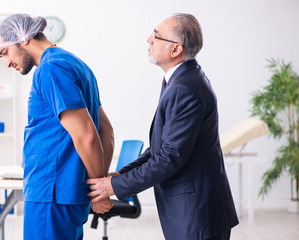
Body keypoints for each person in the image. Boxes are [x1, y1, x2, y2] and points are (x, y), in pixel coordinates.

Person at [87, 13, 239, 240]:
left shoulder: (184, 88)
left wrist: (114, 186)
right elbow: (160, 149)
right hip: (192, 209)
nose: (149, 39)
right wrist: (120, 174)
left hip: (196, 213)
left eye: (156, 36)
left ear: (175, 49)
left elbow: (169, 158)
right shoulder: (181, 80)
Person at [0, 14, 114, 240]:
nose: (7, 63)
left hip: (51, 194)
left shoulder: (50, 69)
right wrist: (98, 184)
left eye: (5, 52)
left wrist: (99, 192)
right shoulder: (77, 65)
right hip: (66, 193)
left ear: (23, 38)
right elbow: (106, 132)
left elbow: (88, 136)